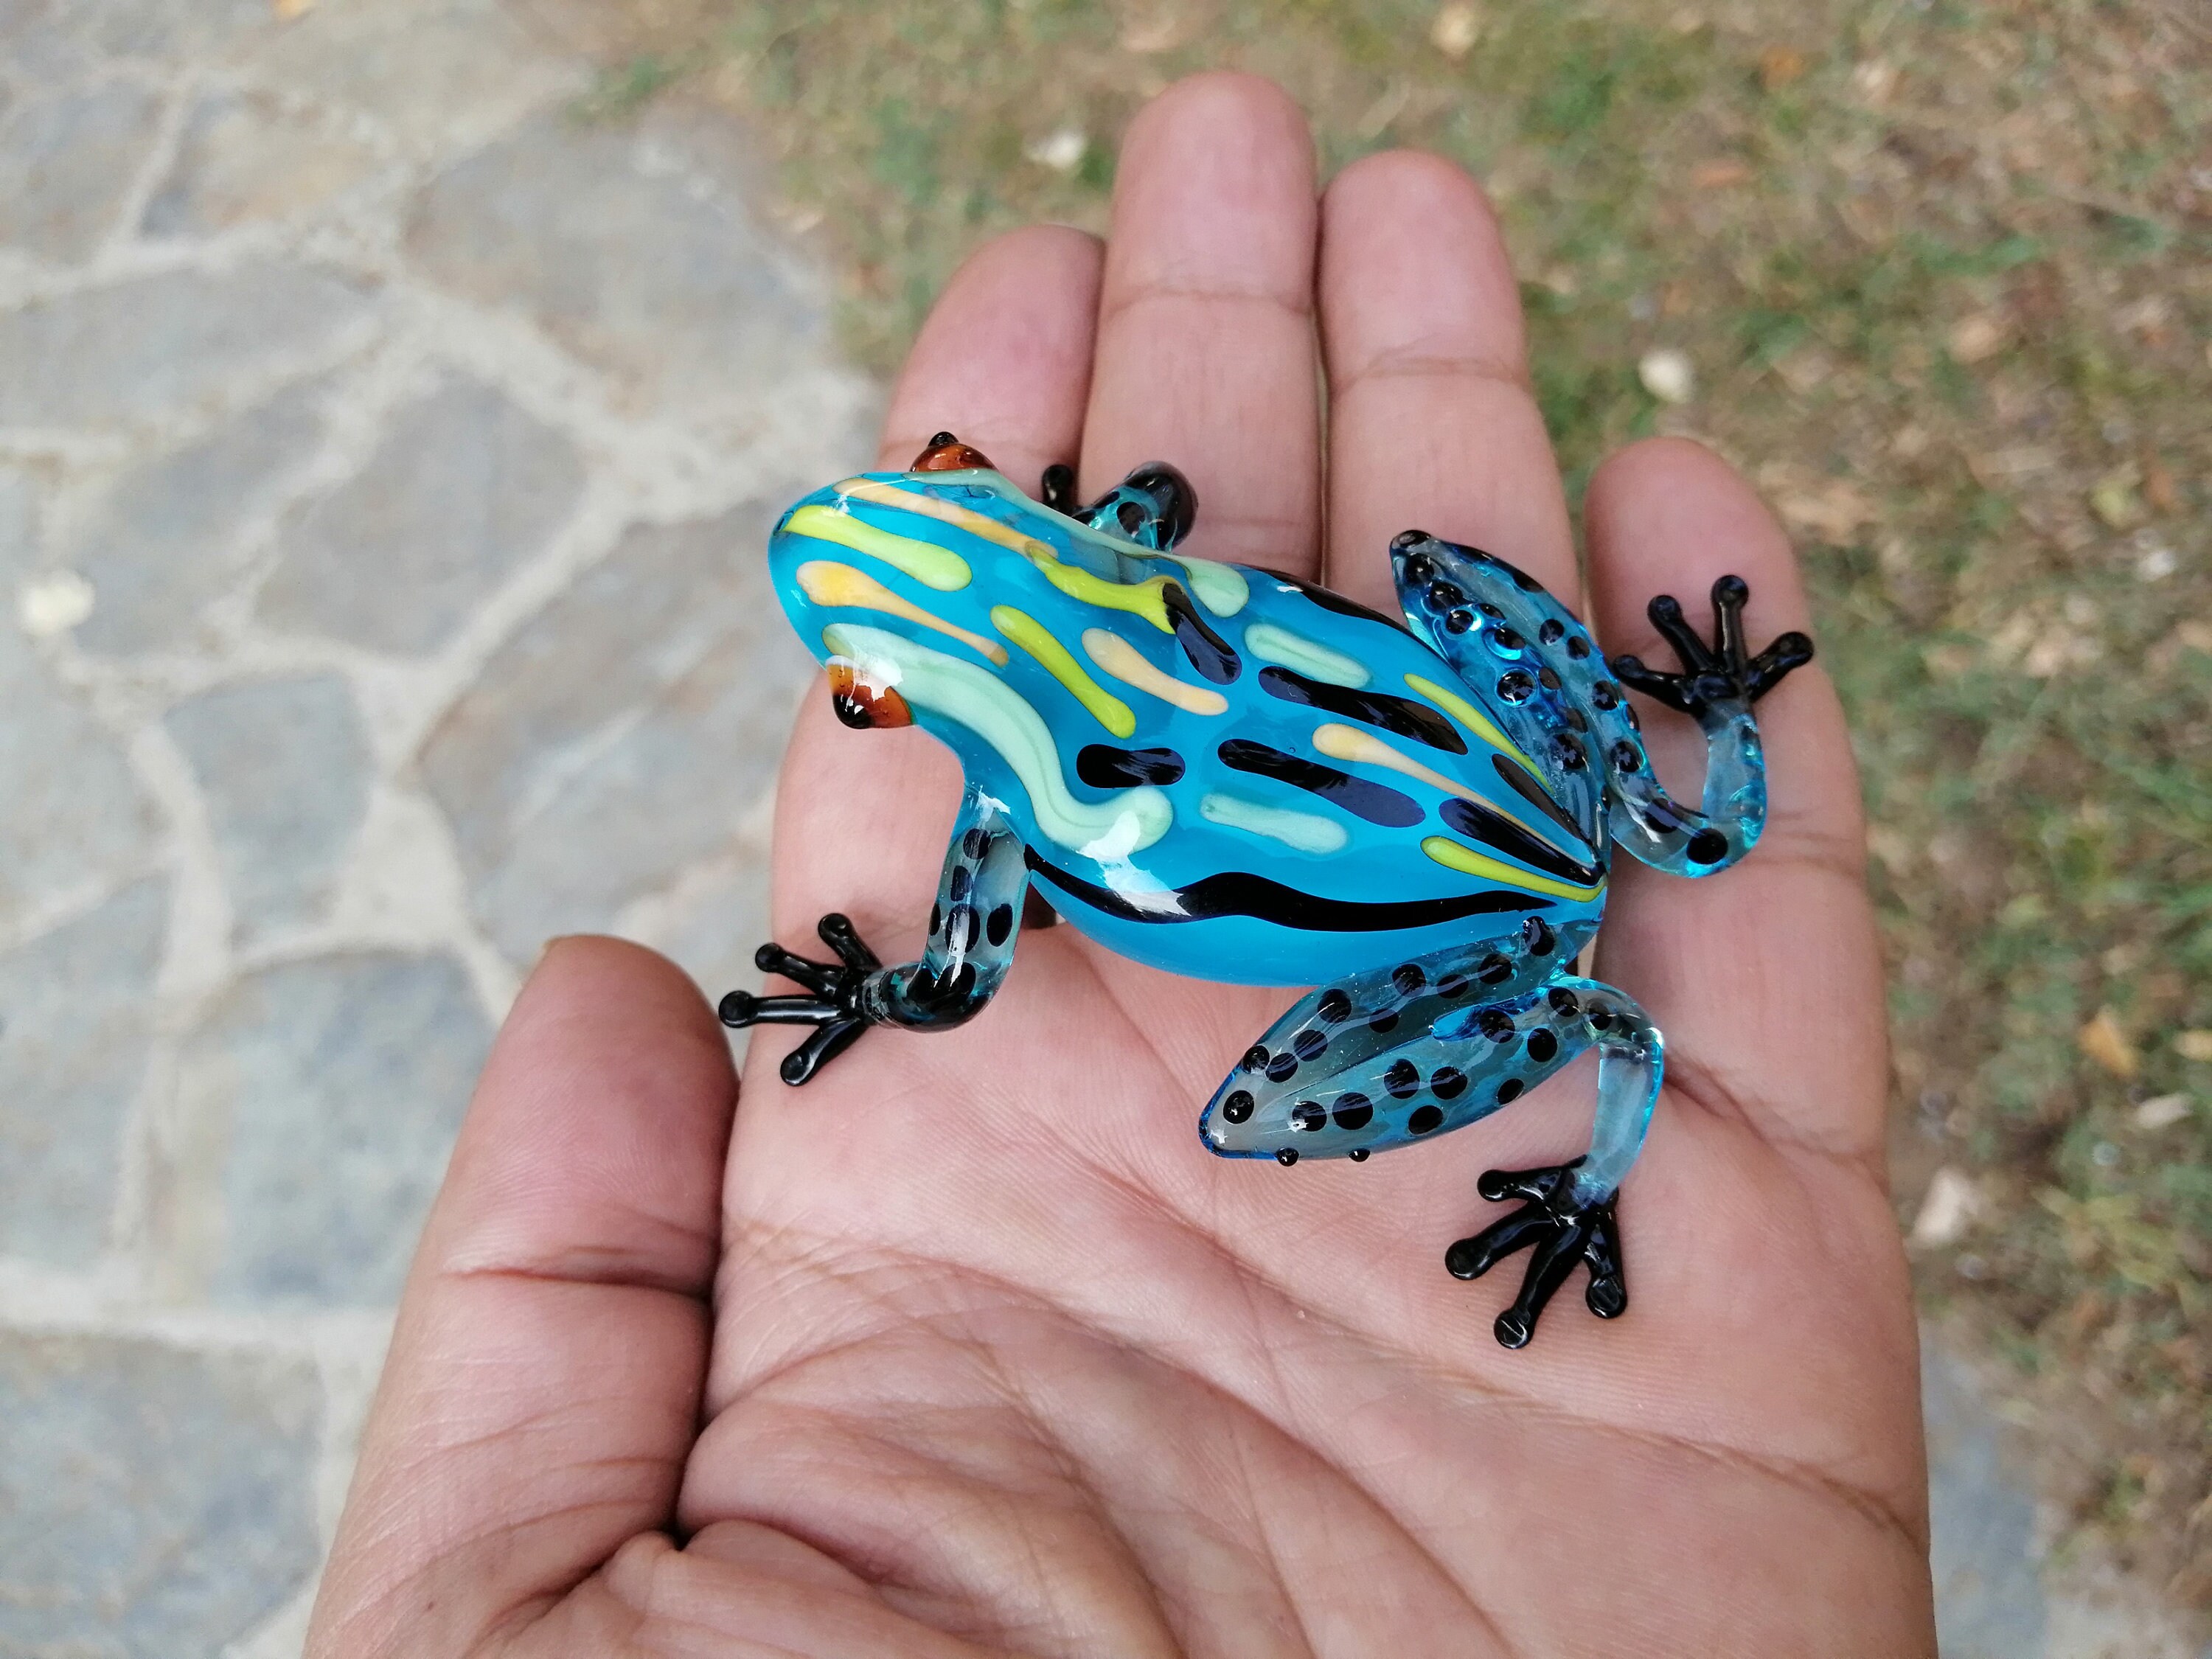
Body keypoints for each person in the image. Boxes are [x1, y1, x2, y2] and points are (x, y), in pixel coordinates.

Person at [305, 73, 1935, 1657]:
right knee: (1435, 571)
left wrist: (872, 992)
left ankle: (1595, 1075)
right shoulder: (1125, 547)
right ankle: (1685, 788)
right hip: (1515, 785)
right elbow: (1148, 497)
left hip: (1472, 901)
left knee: (1247, 1113)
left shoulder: (1003, 807)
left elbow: (955, 982)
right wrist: (1078, 535)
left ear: (889, 701)